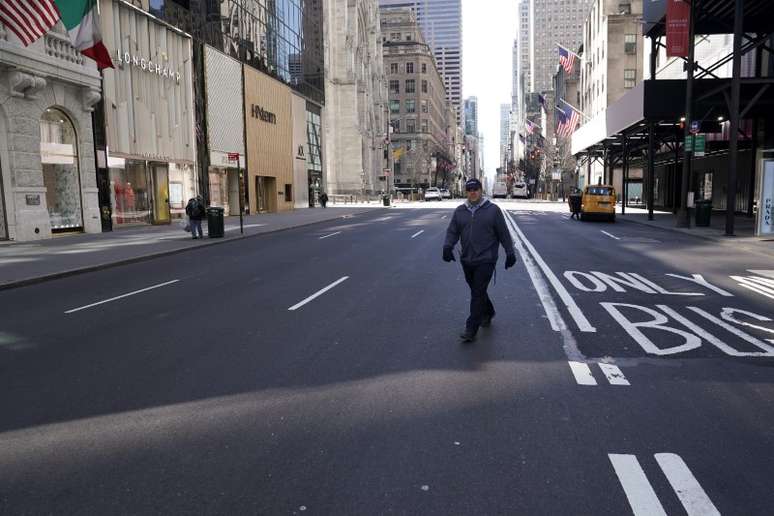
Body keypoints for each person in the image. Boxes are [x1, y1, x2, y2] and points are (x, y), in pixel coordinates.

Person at [443, 178, 517, 343]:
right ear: (466, 192)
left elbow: (503, 233)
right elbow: (452, 231)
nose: (473, 192)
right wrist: (447, 247)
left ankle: (471, 328)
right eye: (470, 190)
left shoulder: (493, 210)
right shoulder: (460, 211)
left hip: (486, 259)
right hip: (467, 259)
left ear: (481, 190)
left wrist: (510, 252)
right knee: (478, 290)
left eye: (475, 189)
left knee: (477, 292)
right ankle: (488, 311)